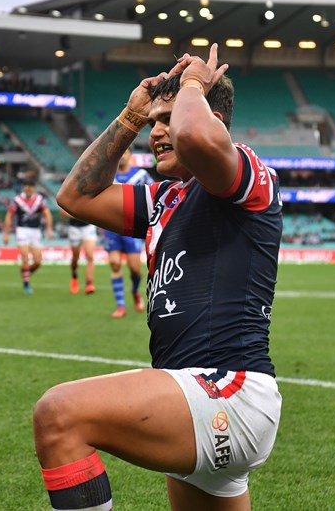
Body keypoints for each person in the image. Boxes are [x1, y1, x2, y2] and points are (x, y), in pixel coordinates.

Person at [35, 44, 283, 510]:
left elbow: (197, 139)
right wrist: (130, 117)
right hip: (193, 392)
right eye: (155, 123)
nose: (159, 132)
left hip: (226, 392)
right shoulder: (163, 199)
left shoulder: (244, 172)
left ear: (215, 121)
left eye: (167, 119)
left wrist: (193, 85)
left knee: (59, 414)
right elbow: (75, 196)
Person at [102, 148, 152, 317]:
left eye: (125, 153)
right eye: (120, 153)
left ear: (130, 156)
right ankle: (120, 306)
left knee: (135, 269)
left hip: (133, 228)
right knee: (115, 264)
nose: (122, 155)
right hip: (111, 227)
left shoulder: (141, 175)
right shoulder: (108, 176)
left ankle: (135, 291)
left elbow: (154, 194)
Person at [3, 181, 53, 294]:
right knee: (25, 257)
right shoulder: (17, 200)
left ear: (34, 188)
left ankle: (26, 273)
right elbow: (9, 215)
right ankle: (26, 284)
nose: (28, 189)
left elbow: (47, 214)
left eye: (31, 187)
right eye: (26, 186)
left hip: (36, 231)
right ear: (23, 188)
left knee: (38, 261)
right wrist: (6, 233)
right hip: (22, 230)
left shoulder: (40, 200)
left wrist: (49, 229)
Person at [61, 209, 97, 294]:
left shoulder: (90, 195)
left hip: (88, 227)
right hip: (74, 228)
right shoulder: (71, 196)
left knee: (90, 256)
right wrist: (78, 215)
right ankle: (74, 276)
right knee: (75, 257)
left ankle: (89, 284)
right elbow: (62, 212)